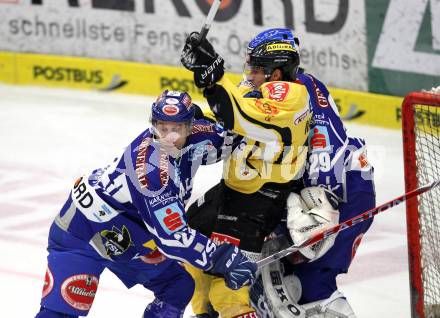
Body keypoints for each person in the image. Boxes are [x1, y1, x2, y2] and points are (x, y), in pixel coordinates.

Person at [180, 28, 375, 318]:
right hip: (233, 192)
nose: (249, 73)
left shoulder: (292, 96)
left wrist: (213, 78)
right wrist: (200, 118)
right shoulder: (258, 88)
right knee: (190, 254)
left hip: (259, 201)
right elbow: (230, 122)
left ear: (277, 73)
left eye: (257, 68)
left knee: (231, 285)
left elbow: (241, 117)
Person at [34, 90, 257, 318]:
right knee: (59, 313)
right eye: (163, 127)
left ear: (190, 126)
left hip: (129, 236)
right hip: (82, 233)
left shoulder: (198, 135)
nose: (169, 136)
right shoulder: (152, 172)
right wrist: (224, 258)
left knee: (177, 287)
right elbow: (172, 238)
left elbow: (240, 134)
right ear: (153, 125)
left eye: (176, 128)